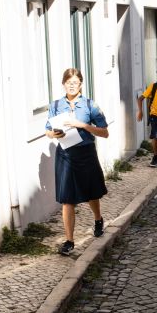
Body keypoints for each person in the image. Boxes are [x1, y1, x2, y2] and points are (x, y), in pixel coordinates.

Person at [45, 68, 110, 256]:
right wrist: (53, 134)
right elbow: (48, 131)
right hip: (65, 155)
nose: (71, 85)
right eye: (68, 82)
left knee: (91, 193)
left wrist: (83, 126)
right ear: (63, 84)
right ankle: (69, 241)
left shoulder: (90, 105)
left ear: (81, 84)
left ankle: (98, 219)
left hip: (86, 153)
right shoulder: (55, 105)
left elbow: (104, 132)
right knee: (67, 199)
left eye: (75, 82)